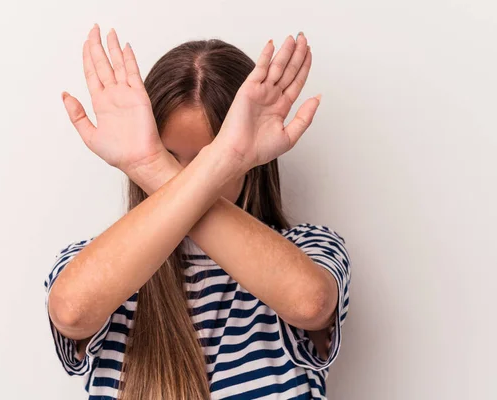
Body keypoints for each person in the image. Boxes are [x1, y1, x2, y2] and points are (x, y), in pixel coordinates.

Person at [44, 23, 352, 400]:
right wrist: (168, 165)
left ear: (251, 160)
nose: (190, 177)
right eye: (170, 159)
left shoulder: (308, 248)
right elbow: (72, 310)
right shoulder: (99, 261)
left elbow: (310, 303)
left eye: (210, 161)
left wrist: (153, 167)